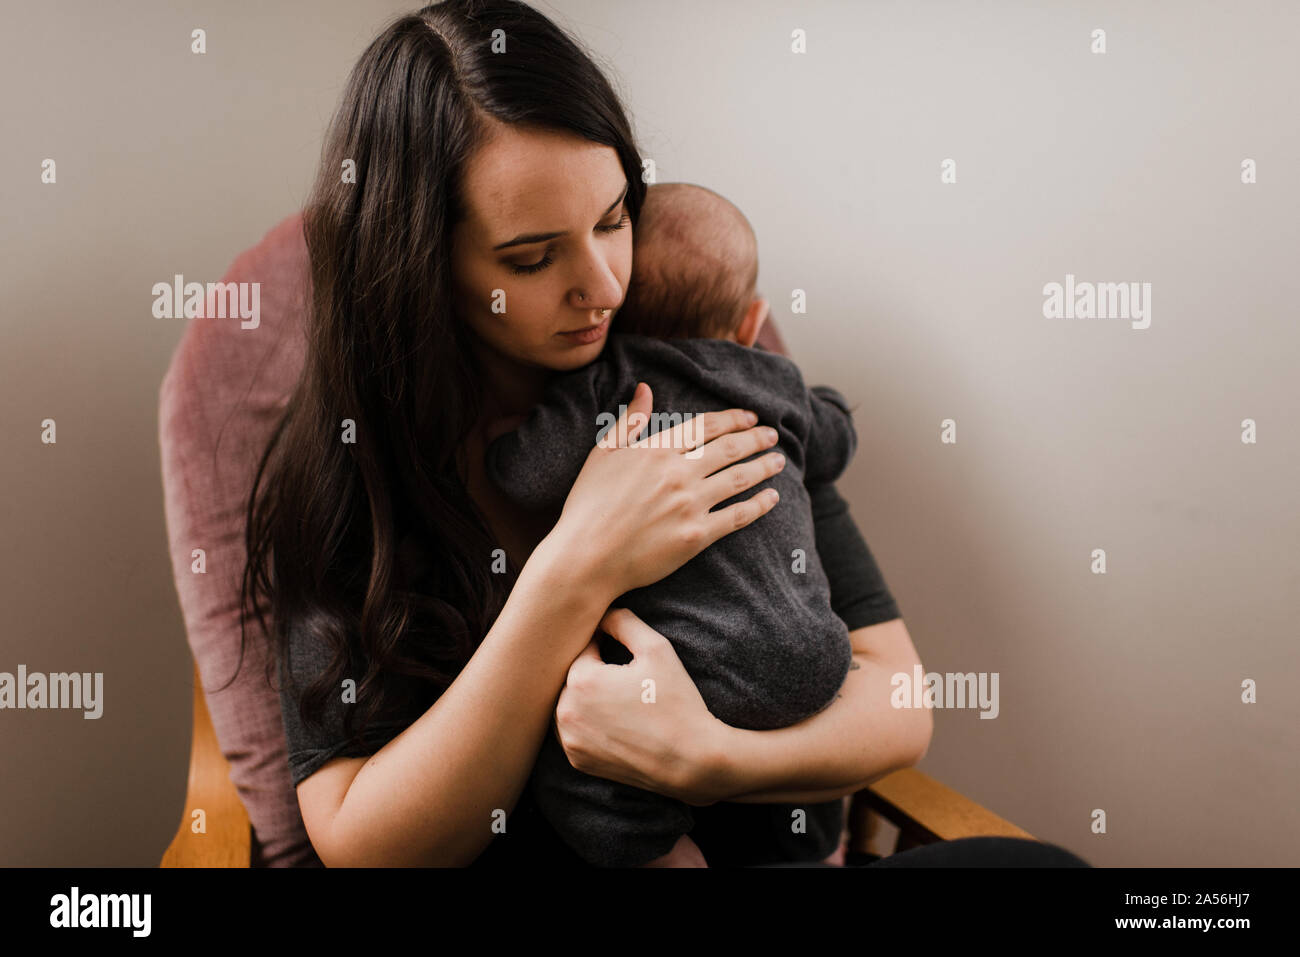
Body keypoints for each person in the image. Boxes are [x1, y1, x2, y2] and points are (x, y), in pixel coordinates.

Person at [238, 0, 1083, 869]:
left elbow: (897, 700)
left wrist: (709, 758)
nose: (604, 285)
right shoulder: (361, 469)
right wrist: (578, 565)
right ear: (422, 265)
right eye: (532, 258)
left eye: (613, 219)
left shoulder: (698, 374)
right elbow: (358, 841)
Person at [486, 181, 866, 866]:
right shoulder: (776, 383)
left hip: (695, 665)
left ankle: (662, 854)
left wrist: (504, 443)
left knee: (570, 777)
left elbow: (525, 476)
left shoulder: (613, 381)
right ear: (751, 323)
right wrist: (829, 407)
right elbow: (833, 442)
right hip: (816, 657)